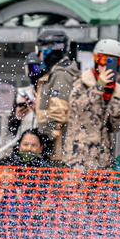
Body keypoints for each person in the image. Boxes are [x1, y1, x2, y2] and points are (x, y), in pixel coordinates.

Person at [61, 38, 120, 171]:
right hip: (77, 158)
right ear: (96, 60)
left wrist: (112, 96)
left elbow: (115, 126)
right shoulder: (81, 83)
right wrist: (99, 87)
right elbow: (77, 108)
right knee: (74, 191)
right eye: (103, 60)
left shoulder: (115, 91)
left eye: (114, 61)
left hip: (102, 160)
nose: (106, 66)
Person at [29, 29, 89, 158]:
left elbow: (58, 110)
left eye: (40, 50)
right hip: (53, 137)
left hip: (57, 142)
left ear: (48, 51)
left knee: (54, 176)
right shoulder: (53, 74)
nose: (39, 55)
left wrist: (45, 136)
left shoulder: (61, 74)